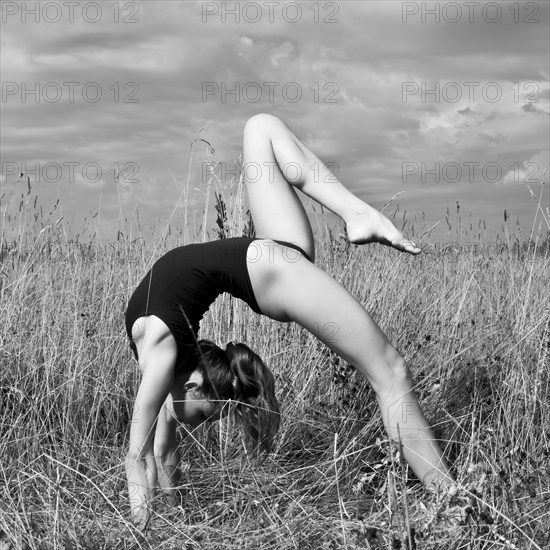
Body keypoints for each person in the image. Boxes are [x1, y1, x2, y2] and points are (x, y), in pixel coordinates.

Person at [124, 114, 453, 530]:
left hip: (275, 270)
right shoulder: (174, 370)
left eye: (205, 415)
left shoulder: (162, 353)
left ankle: (455, 511)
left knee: (390, 372)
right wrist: (177, 522)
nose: (200, 425)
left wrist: (139, 535)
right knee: (259, 129)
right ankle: (355, 213)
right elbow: (165, 449)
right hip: (269, 254)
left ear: (194, 385)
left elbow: (138, 457)